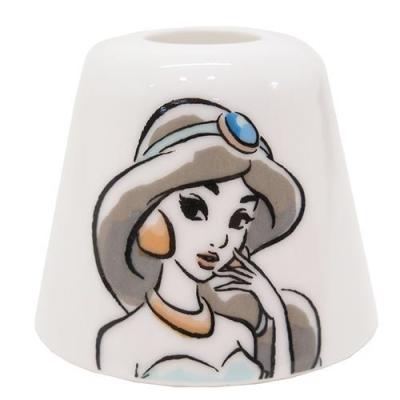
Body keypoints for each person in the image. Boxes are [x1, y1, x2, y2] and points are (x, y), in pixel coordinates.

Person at [93, 98, 321, 385]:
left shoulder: (240, 335)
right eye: (194, 209)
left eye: (239, 220)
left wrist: (274, 308)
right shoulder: (119, 342)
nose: (220, 239)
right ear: (150, 218)